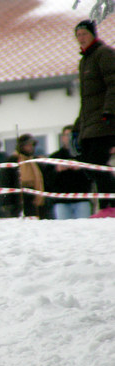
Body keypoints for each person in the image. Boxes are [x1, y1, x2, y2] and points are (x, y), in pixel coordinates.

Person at [72, 19, 115, 211]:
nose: (81, 38)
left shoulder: (103, 54)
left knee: (96, 164)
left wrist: (109, 111)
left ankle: (110, 205)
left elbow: (113, 84)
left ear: (93, 35)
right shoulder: (84, 61)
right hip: (90, 123)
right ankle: (106, 204)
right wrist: (77, 127)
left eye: (84, 34)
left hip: (104, 121)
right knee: (89, 166)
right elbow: (86, 100)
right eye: (78, 35)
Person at [45, 125, 93, 219]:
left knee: (85, 228)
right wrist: (57, 170)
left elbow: (93, 176)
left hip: (82, 199)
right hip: (61, 202)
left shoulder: (84, 156)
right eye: (67, 135)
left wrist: (81, 168)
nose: (69, 138)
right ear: (62, 137)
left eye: (72, 135)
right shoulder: (54, 157)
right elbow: (47, 180)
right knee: (65, 230)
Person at [3, 133, 48, 219]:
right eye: (27, 145)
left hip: (35, 199)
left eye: (32, 145)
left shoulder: (36, 162)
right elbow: (7, 181)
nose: (30, 147)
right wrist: (8, 203)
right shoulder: (13, 160)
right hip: (19, 199)